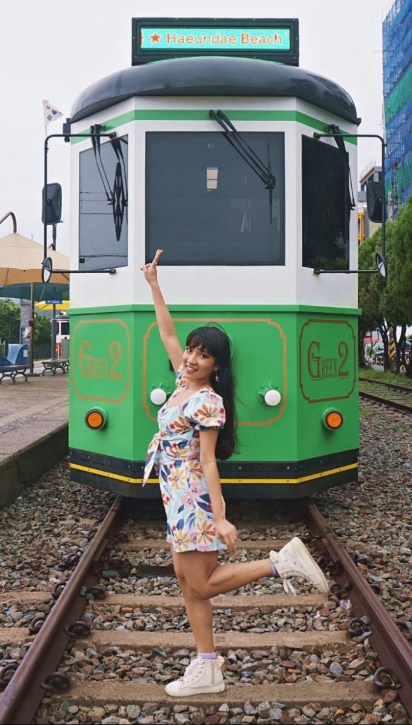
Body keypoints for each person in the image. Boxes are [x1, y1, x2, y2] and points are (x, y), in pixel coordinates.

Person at [140, 249, 330, 698]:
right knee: (189, 585)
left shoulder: (207, 401)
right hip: (175, 496)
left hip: (191, 497)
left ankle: (280, 562)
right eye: (191, 350)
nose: (190, 357)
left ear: (217, 367)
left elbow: (208, 462)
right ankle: (208, 667)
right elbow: (166, 331)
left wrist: (220, 516)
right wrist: (153, 284)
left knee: (202, 582)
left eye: (203, 355)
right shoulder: (183, 384)